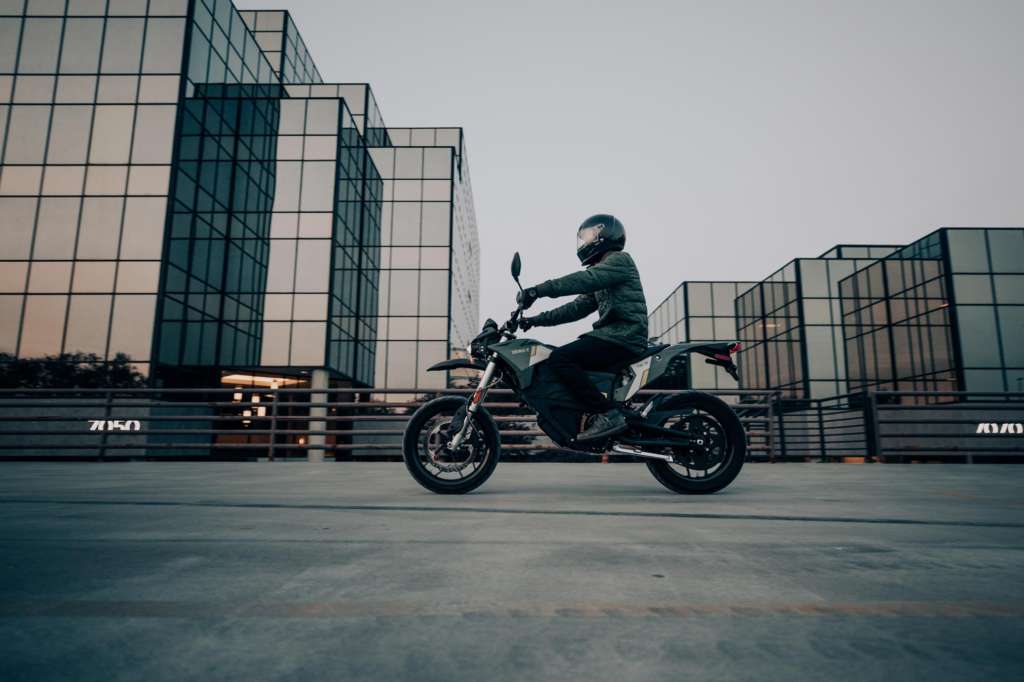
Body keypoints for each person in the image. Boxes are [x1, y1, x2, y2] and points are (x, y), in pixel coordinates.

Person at [516, 214, 649, 442]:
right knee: (559, 360)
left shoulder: (619, 261)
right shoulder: (603, 272)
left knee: (560, 359)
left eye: (588, 236)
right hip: (613, 337)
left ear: (603, 235)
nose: (584, 242)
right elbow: (576, 308)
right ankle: (588, 414)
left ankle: (607, 414)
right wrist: (535, 320)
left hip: (624, 336)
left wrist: (538, 290)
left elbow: (583, 279)